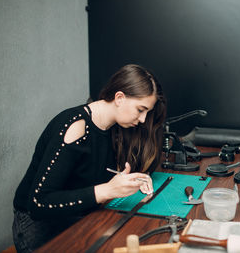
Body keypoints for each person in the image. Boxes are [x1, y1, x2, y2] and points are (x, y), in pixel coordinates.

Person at [12, 64, 167, 252]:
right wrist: (107, 190)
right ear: (119, 98)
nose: (143, 119)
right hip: (38, 226)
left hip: (78, 216)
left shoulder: (114, 127)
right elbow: (38, 203)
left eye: (147, 113)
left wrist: (134, 179)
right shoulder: (75, 126)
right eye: (140, 109)